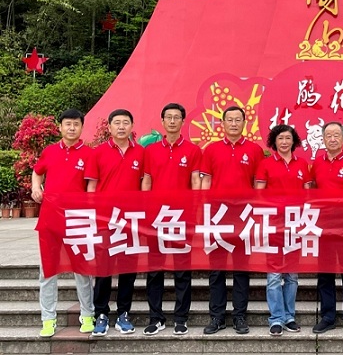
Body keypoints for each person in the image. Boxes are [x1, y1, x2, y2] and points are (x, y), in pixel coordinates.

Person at [200, 106, 264, 335]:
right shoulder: (211, 149)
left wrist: (256, 212)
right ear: (223, 123)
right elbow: (206, 182)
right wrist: (204, 211)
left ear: (245, 123)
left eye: (238, 120)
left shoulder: (255, 150)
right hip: (217, 216)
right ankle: (217, 317)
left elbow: (258, 184)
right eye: (230, 120)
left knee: (241, 269)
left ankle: (239, 316)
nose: (234, 124)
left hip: (243, 216)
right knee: (216, 269)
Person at [31, 109, 95, 337]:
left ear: (81, 127)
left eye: (76, 124)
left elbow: (91, 186)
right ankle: (48, 319)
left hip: (78, 220)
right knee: (48, 271)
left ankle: (87, 314)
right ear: (60, 127)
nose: (71, 128)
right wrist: (35, 187)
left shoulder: (89, 154)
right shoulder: (49, 151)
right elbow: (37, 172)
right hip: (50, 220)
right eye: (67, 124)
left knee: (83, 270)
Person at [141, 103, 201, 336]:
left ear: (183, 121)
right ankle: (155, 318)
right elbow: (146, 182)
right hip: (156, 218)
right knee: (154, 270)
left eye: (177, 117)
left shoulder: (193, 150)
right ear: (163, 121)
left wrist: (195, 212)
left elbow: (195, 182)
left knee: (182, 270)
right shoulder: (151, 150)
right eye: (169, 117)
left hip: (182, 218)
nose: (173, 121)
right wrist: (145, 212)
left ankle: (181, 318)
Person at [86, 109, 145, 336]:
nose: (121, 127)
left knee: (128, 269)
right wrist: (93, 215)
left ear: (132, 126)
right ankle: (101, 313)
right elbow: (91, 187)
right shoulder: (98, 153)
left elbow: (145, 185)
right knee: (104, 269)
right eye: (117, 123)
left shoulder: (140, 152)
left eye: (125, 122)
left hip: (131, 220)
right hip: (105, 220)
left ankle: (123, 313)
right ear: (109, 127)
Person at [255, 125, 312, 336]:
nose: (285, 142)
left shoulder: (302, 164)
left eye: (288, 138)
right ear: (274, 141)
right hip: (274, 225)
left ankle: (289, 317)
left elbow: (308, 195)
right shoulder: (265, 164)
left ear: (294, 141)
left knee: (292, 276)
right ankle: (276, 318)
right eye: (280, 138)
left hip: (295, 224)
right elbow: (259, 195)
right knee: (273, 276)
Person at [310, 122, 343, 336]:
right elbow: (312, 193)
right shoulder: (317, 163)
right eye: (328, 135)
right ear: (323, 139)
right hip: (323, 228)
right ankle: (328, 317)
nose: (332, 139)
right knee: (325, 275)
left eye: (336, 135)